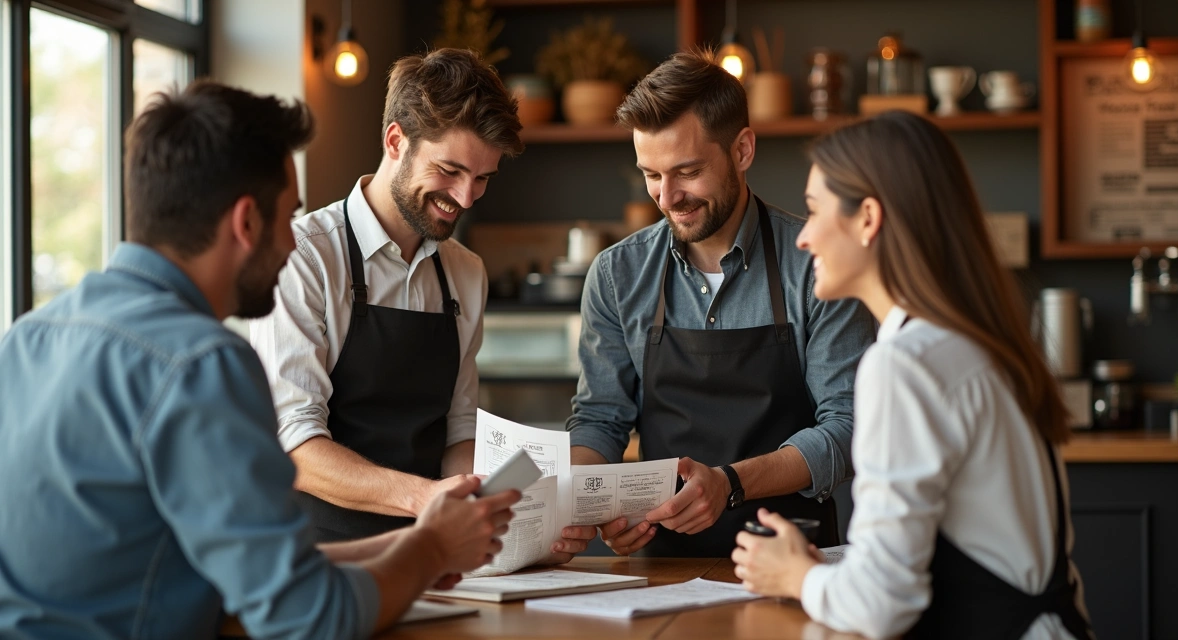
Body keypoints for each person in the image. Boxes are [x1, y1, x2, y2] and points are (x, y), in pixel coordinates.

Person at [0, 81, 519, 639]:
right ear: (247, 223)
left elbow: (231, 566)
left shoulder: (26, 338)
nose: (294, 244)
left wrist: (426, 542)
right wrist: (433, 543)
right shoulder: (202, 365)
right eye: (286, 217)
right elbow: (313, 616)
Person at [732, 111, 1093, 640]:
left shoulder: (904, 363)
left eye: (814, 211)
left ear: (868, 219)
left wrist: (797, 575)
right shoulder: (983, 341)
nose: (803, 239)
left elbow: (882, 604)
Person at [247, 48, 594, 557]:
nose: (467, 197)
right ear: (395, 141)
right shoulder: (305, 256)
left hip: (431, 558)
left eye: (482, 178)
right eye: (450, 170)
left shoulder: (465, 272)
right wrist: (425, 499)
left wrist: (525, 516)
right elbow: (296, 446)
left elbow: (458, 432)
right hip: (317, 561)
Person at [567, 50, 875, 558]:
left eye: (688, 171)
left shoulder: (817, 263)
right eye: (651, 174)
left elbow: (848, 425)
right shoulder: (617, 275)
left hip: (794, 560)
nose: (668, 197)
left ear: (743, 150)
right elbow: (601, 419)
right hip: (663, 566)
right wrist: (589, 502)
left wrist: (729, 483)